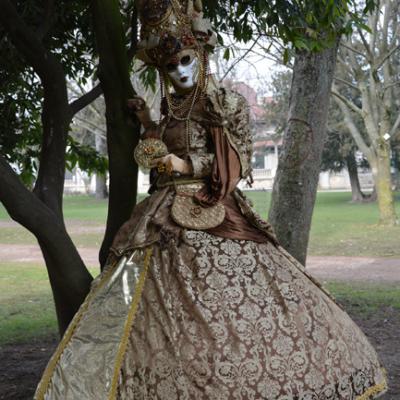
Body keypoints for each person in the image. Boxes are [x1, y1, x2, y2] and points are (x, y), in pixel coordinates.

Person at [35, 1, 388, 399]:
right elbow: (157, 157)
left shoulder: (224, 103)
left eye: (186, 60)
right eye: (170, 66)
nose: (180, 71)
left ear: (201, 56)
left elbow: (237, 156)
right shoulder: (168, 111)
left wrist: (182, 164)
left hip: (214, 208)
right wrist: (150, 125)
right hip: (162, 215)